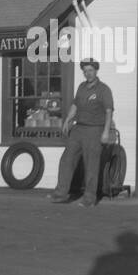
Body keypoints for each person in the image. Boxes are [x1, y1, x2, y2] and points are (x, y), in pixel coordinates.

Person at [48, 58, 114, 207]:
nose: (88, 73)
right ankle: (60, 194)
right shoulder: (81, 87)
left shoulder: (104, 89)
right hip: (78, 129)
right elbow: (75, 105)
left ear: (96, 71)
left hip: (95, 130)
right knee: (66, 159)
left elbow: (109, 112)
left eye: (90, 70)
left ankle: (89, 199)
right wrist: (67, 120)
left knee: (91, 165)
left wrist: (105, 132)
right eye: (85, 71)